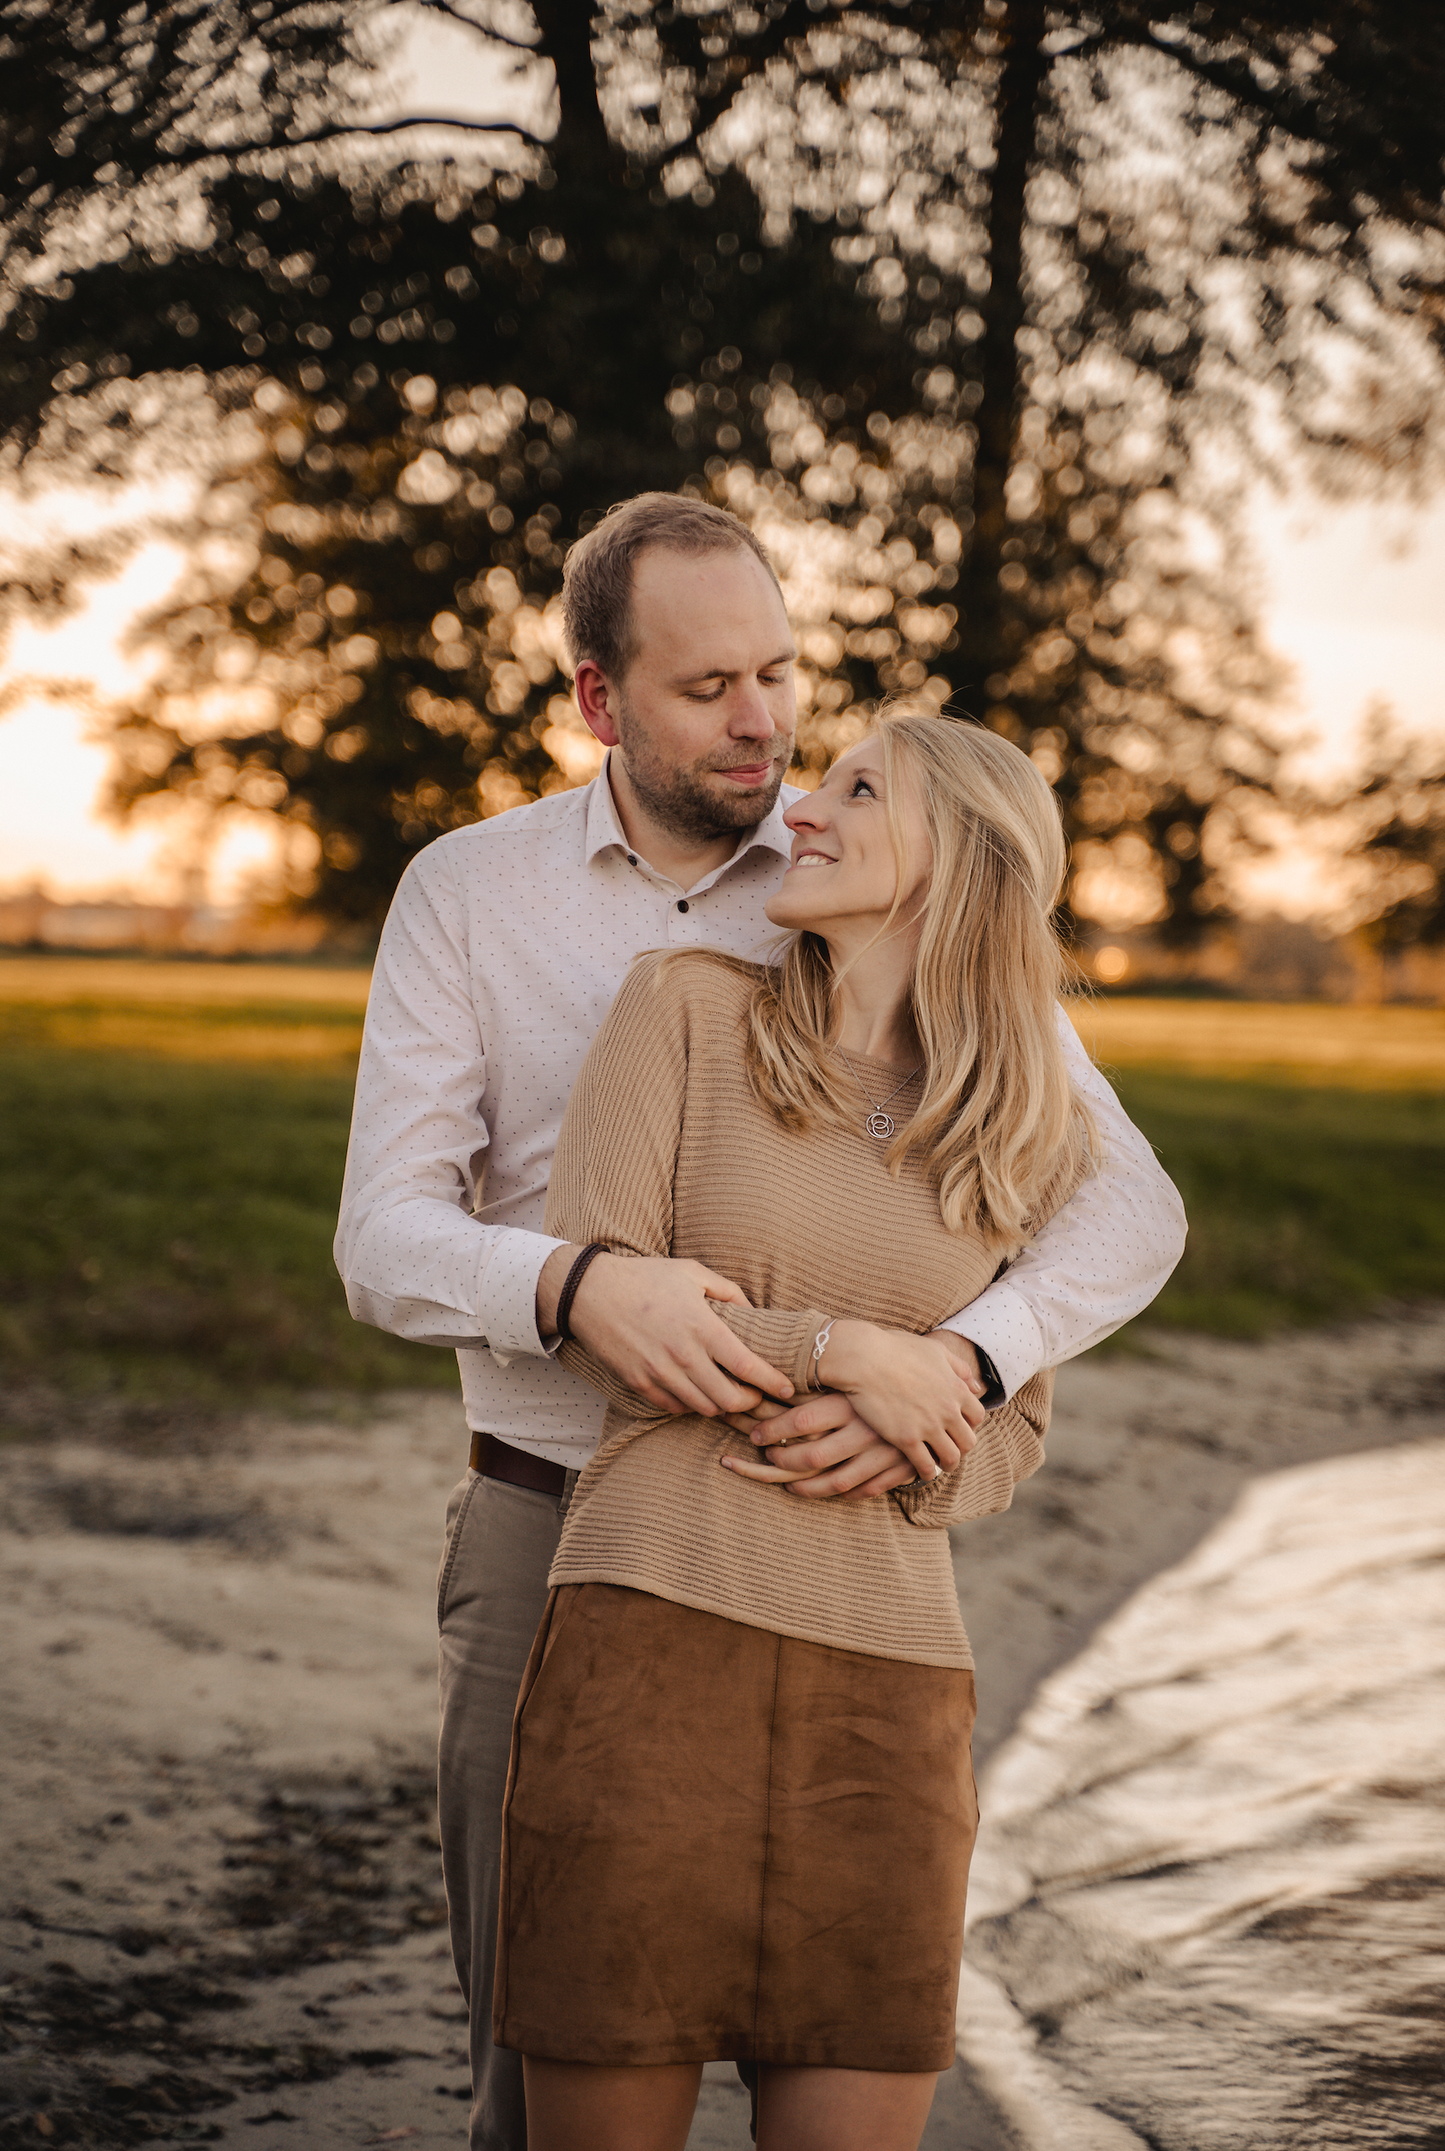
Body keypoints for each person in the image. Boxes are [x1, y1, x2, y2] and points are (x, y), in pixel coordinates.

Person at [333, 492, 1187, 2151]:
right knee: (544, 2066)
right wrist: (581, 1284)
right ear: (598, 698)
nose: (765, 724)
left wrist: (963, 1360)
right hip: (556, 1526)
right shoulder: (471, 893)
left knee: (845, 2029)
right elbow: (381, 1235)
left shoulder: (859, 858)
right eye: (708, 685)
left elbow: (1121, 1198)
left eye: (783, 676)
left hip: (842, 1550)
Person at [493, 710, 1124, 2151]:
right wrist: (851, 1360)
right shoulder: (685, 1011)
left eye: (857, 790)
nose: (801, 809)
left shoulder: (1023, 1123)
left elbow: (1016, 1421)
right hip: (649, 1644)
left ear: (956, 861)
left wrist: (923, 1429)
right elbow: (611, 1301)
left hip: (894, 1703)